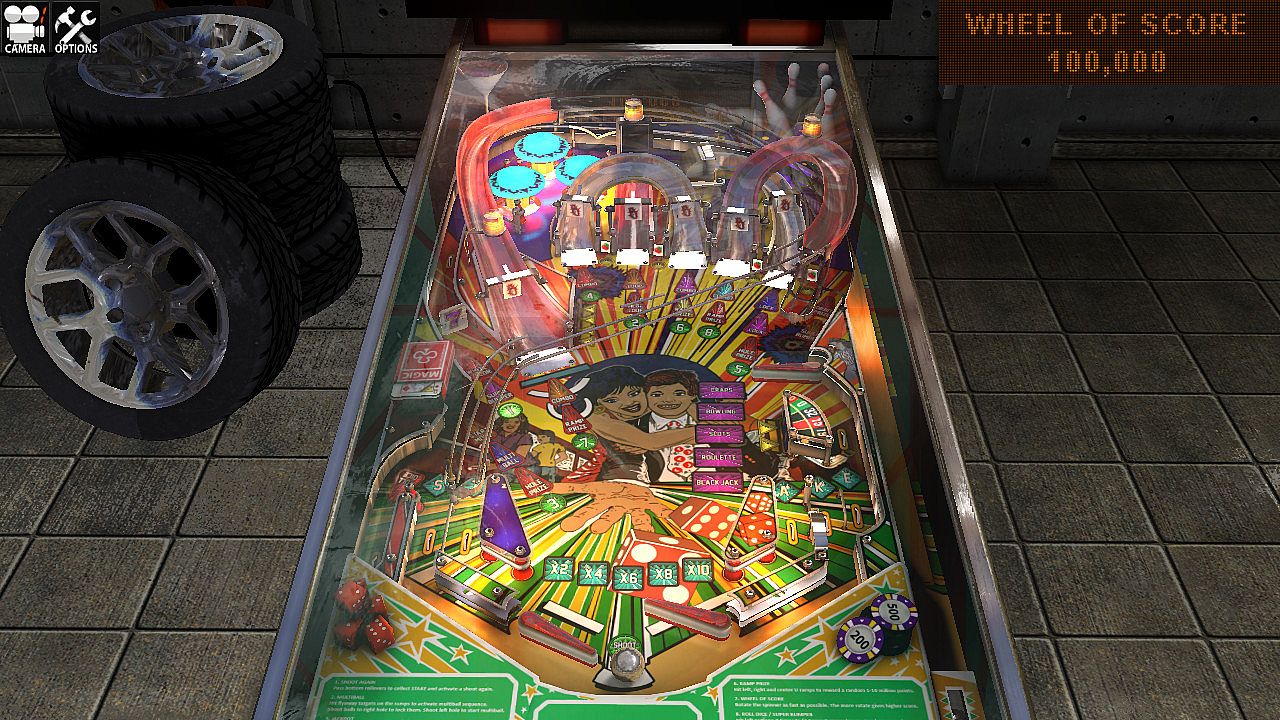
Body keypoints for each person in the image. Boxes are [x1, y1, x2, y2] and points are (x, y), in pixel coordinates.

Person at [573, 365, 694, 483]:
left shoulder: (644, 406)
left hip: (650, 476)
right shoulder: (596, 418)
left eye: (634, 394)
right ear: (598, 406)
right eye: (612, 400)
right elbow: (651, 442)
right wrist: (701, 431)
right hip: (606, 480)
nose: (628, 402)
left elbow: (686, 406)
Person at [639, 369, 699, 484]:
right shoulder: (635, 426)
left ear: (693, 395)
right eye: (657, 395)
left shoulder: (711, 421)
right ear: (645, 397)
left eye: (679, 394)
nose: (668, 400)